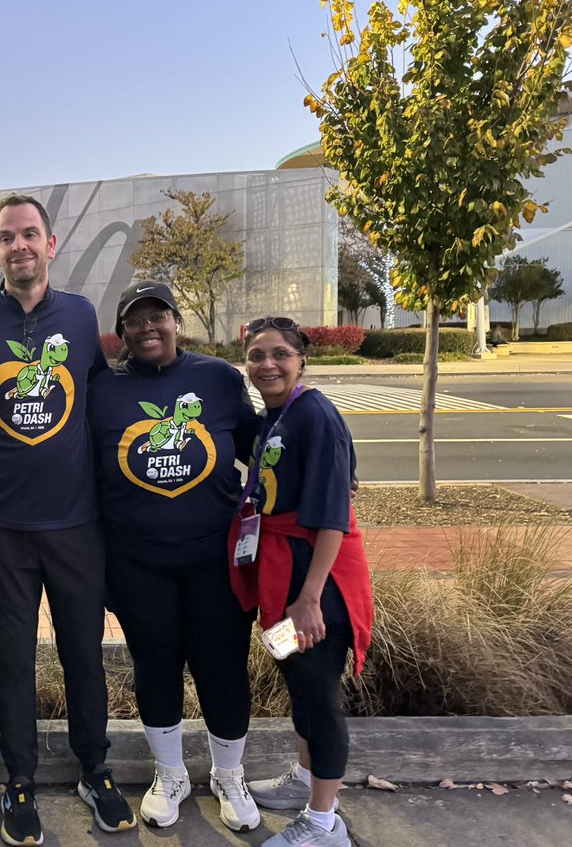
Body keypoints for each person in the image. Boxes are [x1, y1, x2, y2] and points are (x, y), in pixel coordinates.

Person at [0, 193, 134, 844]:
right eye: (7, 237)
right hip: (2, 529)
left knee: (83, 653)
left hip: (77, 524)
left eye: (30, 235)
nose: (20, 246)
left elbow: (102, 394)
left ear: (51, 245)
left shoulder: (80, 316)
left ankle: (95, 770)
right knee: (14, 661)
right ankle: (18, 779)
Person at [87, 281, 261, 832]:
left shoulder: (217, 378)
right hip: (137, 560)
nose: (147, 328)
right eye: (134, 320)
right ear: (122, 332)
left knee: (223, 667)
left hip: (215, 558)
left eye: (157, 315)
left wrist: (334, 458)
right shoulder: (101, 390)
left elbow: (265, 440)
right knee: (155, 667)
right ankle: (170, 773)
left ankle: (227, 774)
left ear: (176, 321)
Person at [230, 317, 374, 847]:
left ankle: (323, 822)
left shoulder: (315, 414)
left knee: (319, 695)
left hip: (318, 582)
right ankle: (308, 780)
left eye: (280, 354)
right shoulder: (277, 415)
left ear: (301, 359)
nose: (267, 364)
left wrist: (310, 598)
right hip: (282, 572)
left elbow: (334, 514)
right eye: (256, 355)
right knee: (299, 684)